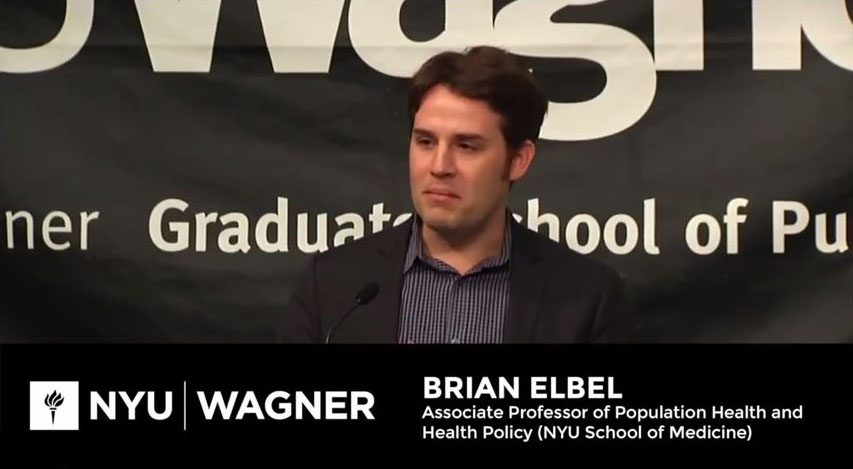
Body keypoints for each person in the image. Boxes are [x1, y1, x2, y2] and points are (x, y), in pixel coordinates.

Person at [277, 46, 634, 344]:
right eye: (425, 141)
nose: (439, 166)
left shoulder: (587, 299)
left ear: (518, 160)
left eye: (466, 146)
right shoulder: (332, 287)